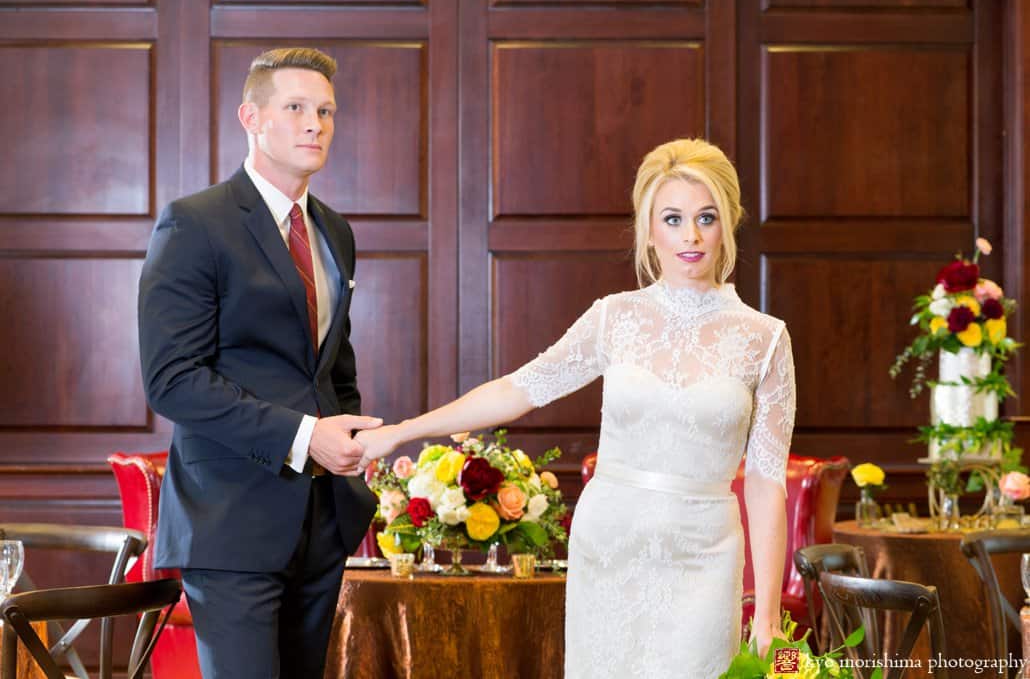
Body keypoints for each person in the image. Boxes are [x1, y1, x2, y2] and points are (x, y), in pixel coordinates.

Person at [354, 137, 795, 676]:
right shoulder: (614, 318)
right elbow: (517, 389)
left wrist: (767, 612)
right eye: (673, 218)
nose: (692, 235)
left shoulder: (765, 338)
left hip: (705, 553)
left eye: (707, 217)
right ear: (649, 228)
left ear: (729, 221)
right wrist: (403, 430)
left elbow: (767, 481)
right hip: (609, 545)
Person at [138, 47, 383, 679]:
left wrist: (350, 438)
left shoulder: (335, 230)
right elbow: (172, 380)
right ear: (252, 116)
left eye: (326, 111)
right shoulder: (195, 224)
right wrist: (306, 436)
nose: (315, 124)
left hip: (323, 519)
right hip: (230, 520)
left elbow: (334, 369)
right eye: (296, 108)